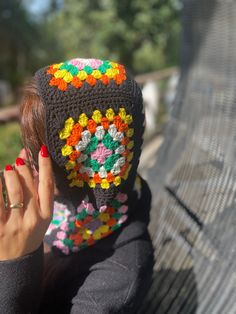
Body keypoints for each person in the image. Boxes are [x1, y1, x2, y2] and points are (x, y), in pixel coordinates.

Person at [0, 57, 154, 314]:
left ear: (90, 165)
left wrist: (13, 264)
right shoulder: (65, 218)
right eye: (28, 145)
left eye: (39, 150)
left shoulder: (115, 283)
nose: (25, 158)